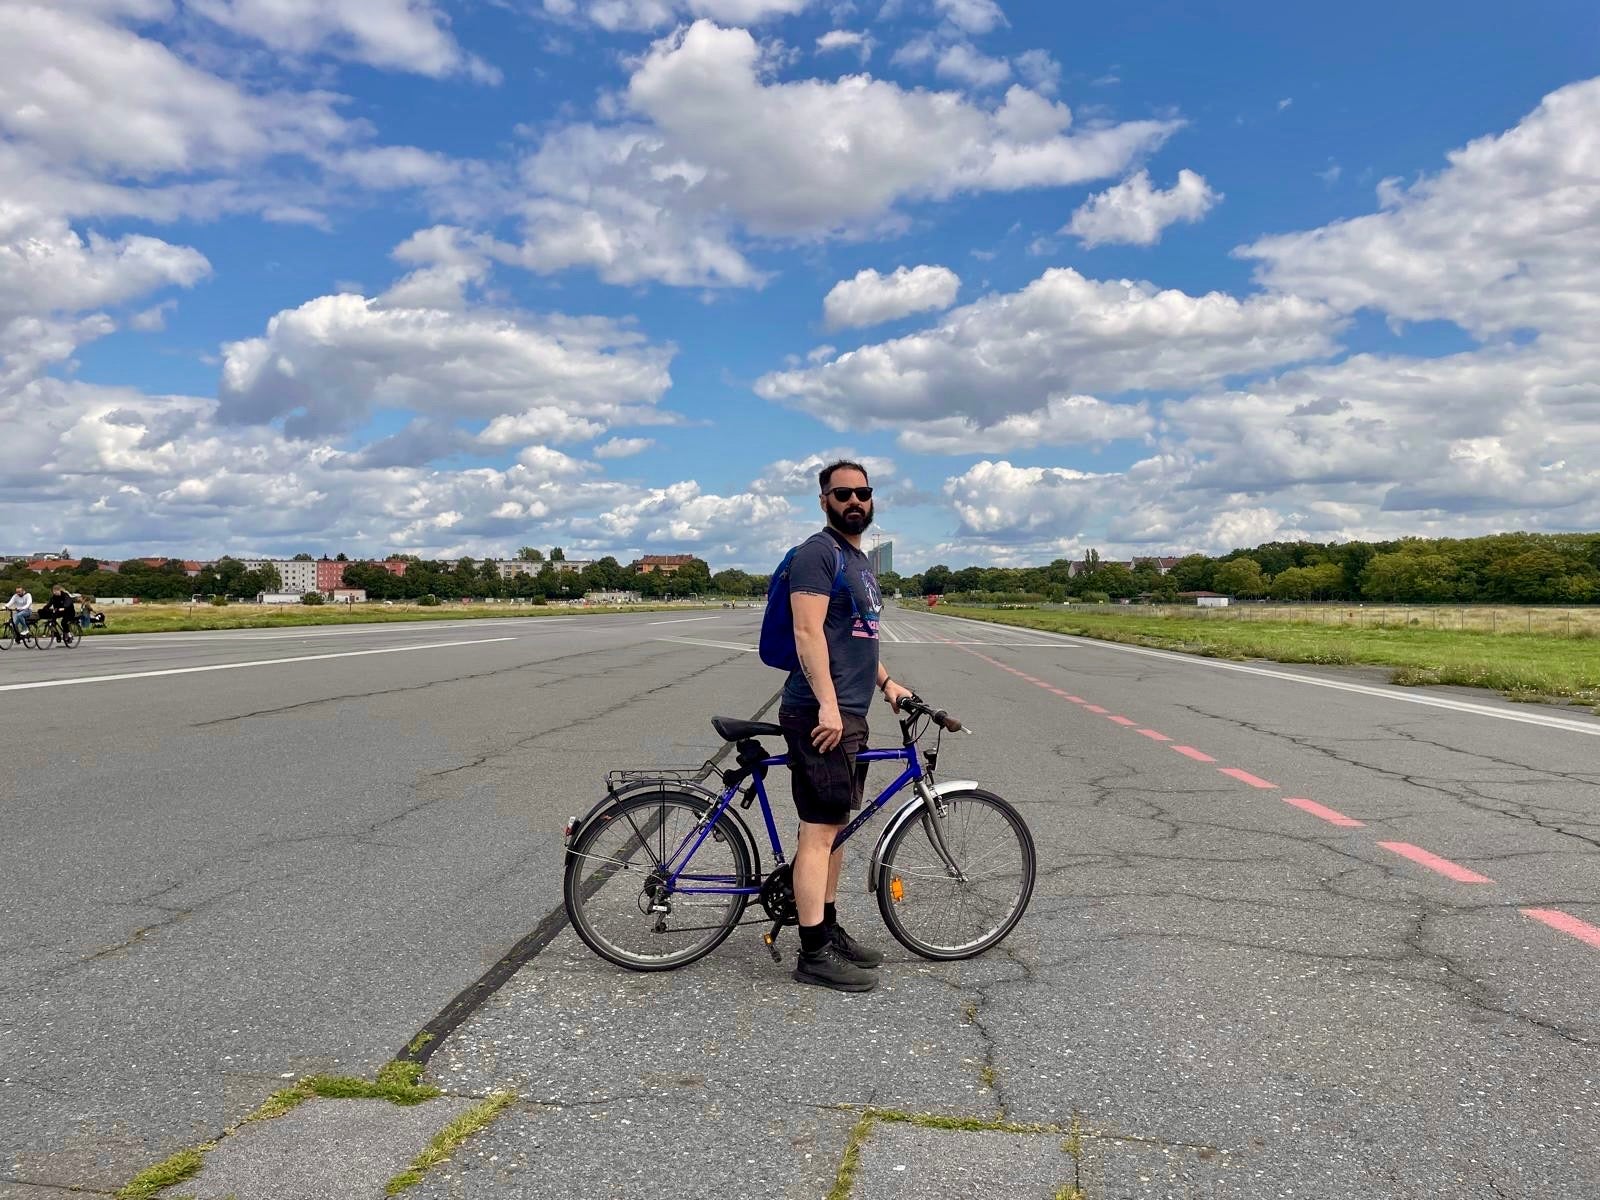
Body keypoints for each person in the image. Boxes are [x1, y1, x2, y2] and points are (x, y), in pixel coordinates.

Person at [780, 459, 913, 992]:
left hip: (848, 709)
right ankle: (812, 953)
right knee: (818, 833)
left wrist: (886, 683)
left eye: (862, 492)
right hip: (821, 713)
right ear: (824, 500)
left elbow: (855, 635)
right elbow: (808, 633)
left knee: (833, 829)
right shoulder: (819, 553)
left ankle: (827, 927)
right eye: (842, 493)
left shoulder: (857, 559)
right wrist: (829, 706)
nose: (854, 501)